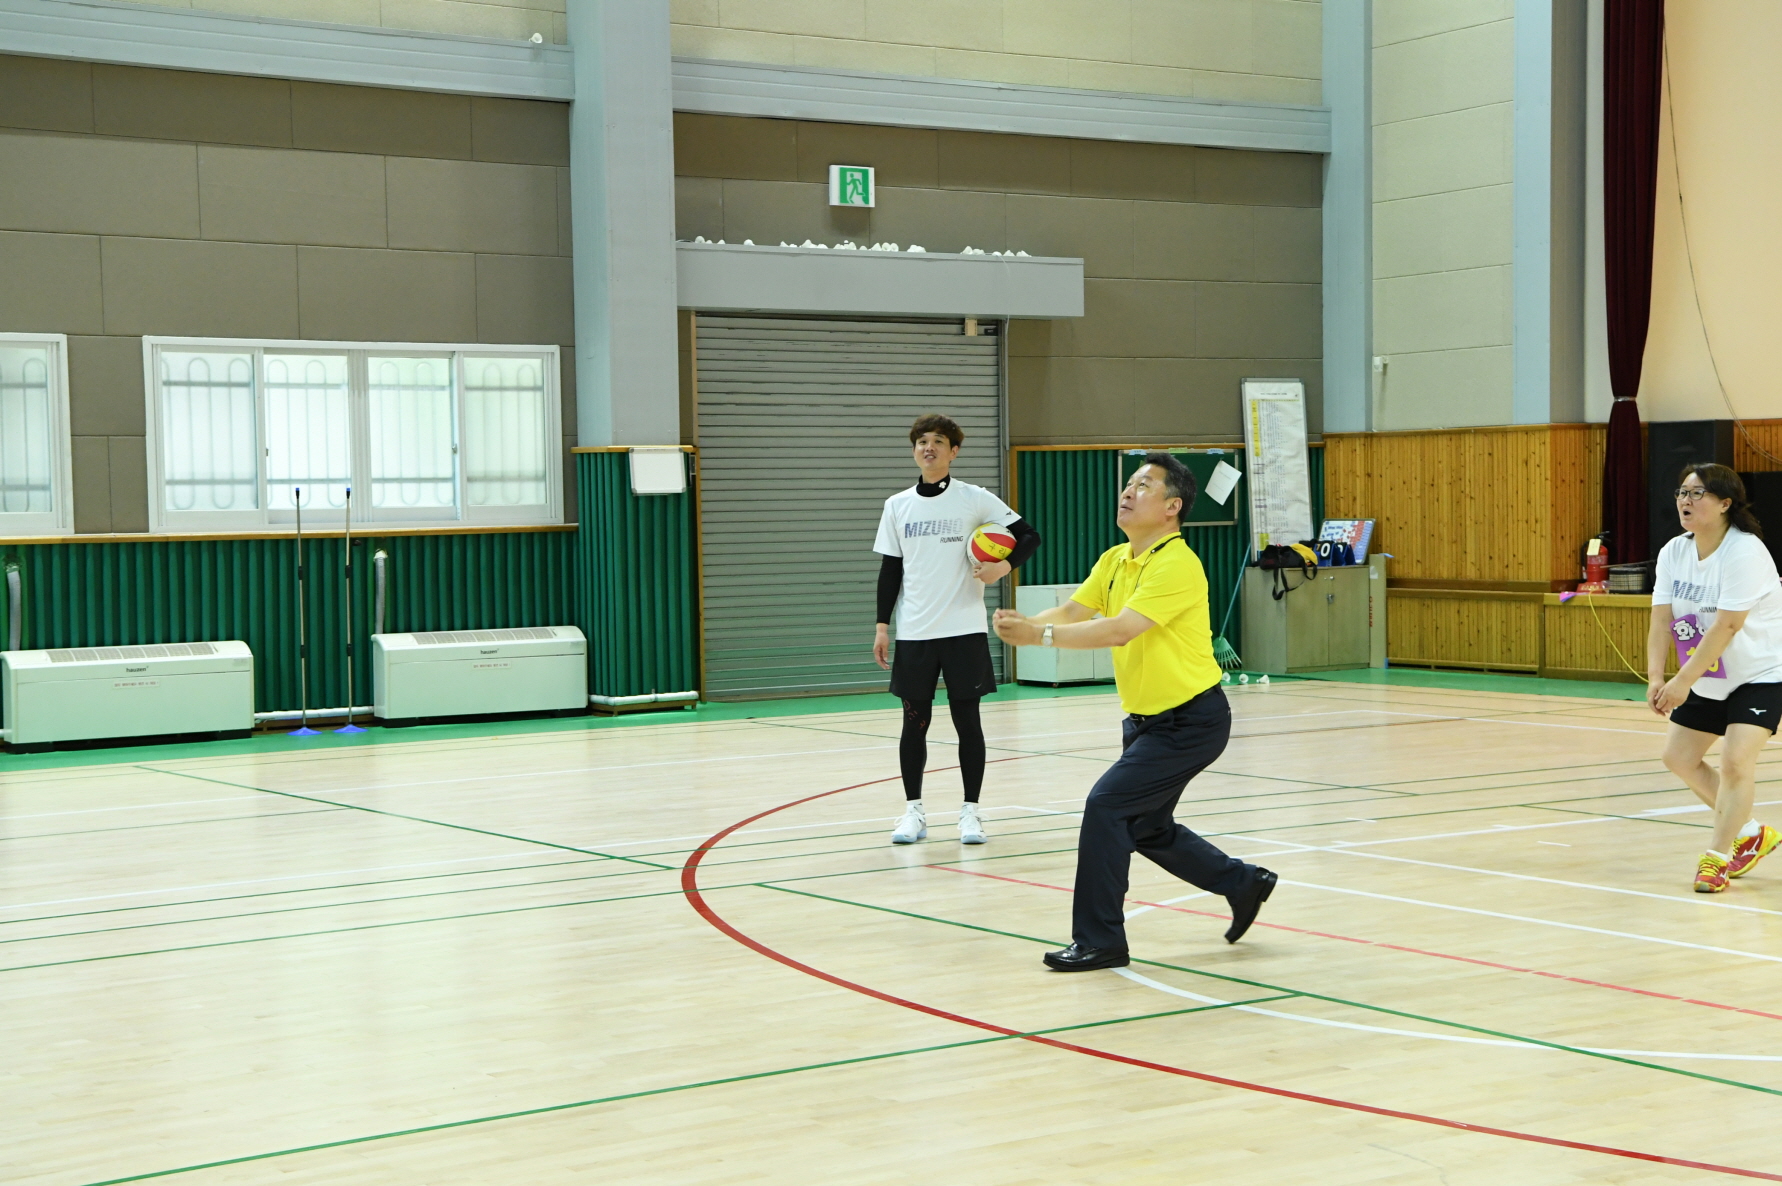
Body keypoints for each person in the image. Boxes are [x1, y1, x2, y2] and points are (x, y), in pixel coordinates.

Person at [993, 453, 1275, 971]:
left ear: (1172, 506)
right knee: (1144, 826)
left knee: (1106, 808)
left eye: (1143, 485)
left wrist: (1040, 636)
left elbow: (1120, 628)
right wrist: (1026, 623)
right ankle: (1243, 882)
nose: (1127, 491)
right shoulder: (1116, 559)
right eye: (1128, 483)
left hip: (1191, 720)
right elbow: (1077, 612)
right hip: (1146, 722)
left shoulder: (1177, 564)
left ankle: (1101, 941)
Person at [873, 414, 1041, 845]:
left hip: (963, 631)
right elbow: (890, 570)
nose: (929, 447)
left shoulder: (974, 498)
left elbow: (1029, 536)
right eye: (922, 441)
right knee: (915, 724)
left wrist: (1003, 566)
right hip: (914, 632)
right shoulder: (897, 505)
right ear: (914, 450)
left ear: (954, 451)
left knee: (969, 721)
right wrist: (881, 626)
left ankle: (971, 813)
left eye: (939, 441)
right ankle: (913, 813)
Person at [1648, 463, 1782, 892]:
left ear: (1725, 503)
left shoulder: (1745, 552)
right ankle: (1751, 833)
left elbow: (1727, 626)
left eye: (1697, 493)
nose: (1685, 501)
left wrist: (1682, 681)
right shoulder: (1674, 551)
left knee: (1735, 760)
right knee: (1679, 758)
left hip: (1760, 672)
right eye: (1681, 492)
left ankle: (1717, 858)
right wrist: (1656, 677)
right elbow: (1661, 617)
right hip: (1708, 674)